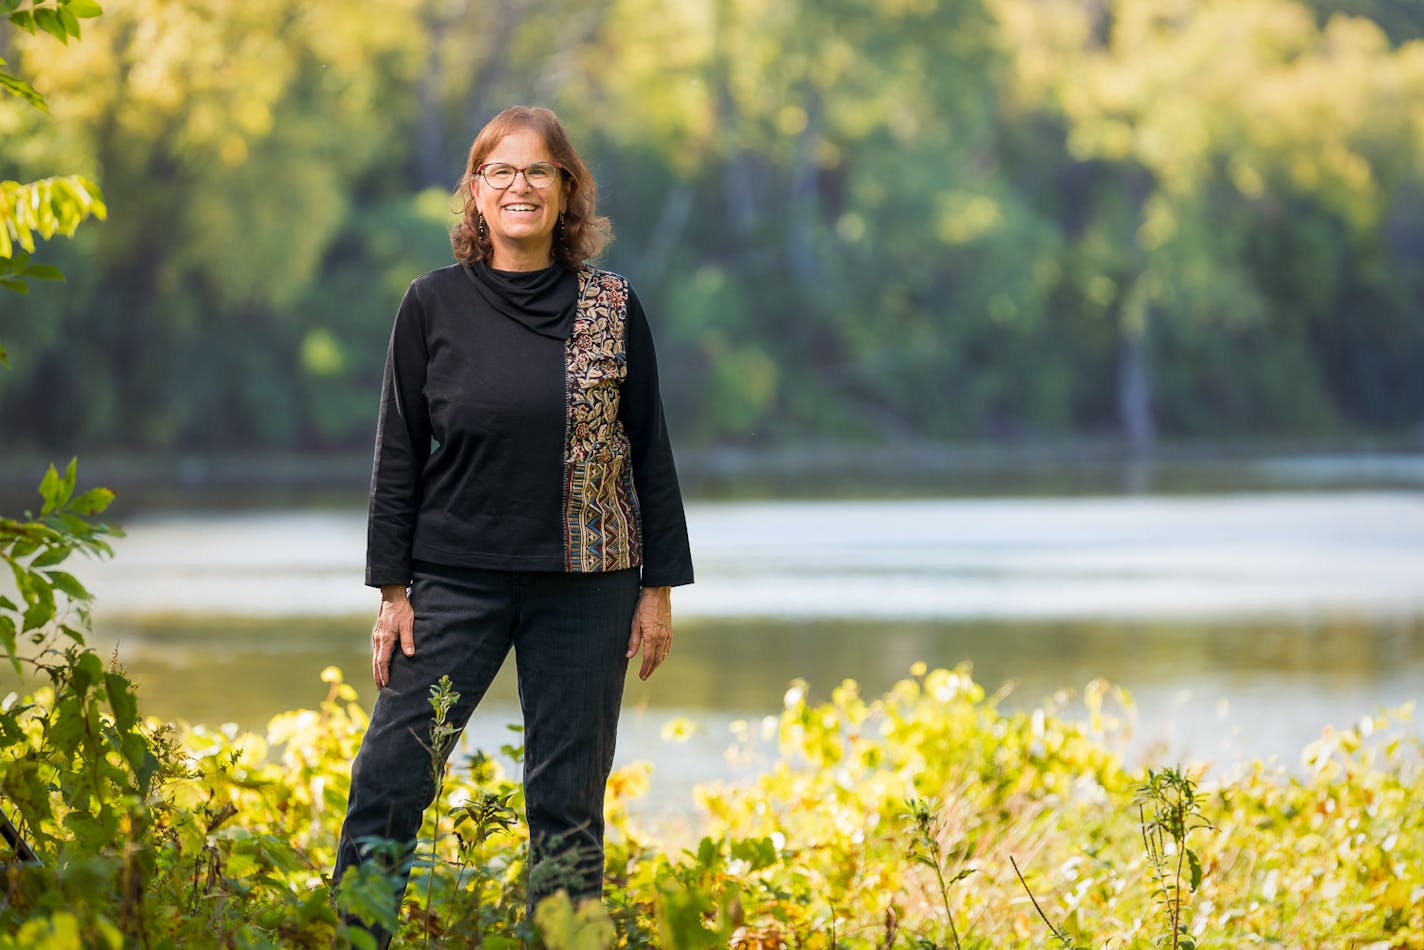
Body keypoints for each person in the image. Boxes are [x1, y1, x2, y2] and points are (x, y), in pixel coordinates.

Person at [332, 105, 694, 943]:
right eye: (502, 171)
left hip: (590, 586)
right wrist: (393, 591)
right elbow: (397, 456)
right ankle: (352, 935)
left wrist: (659, 591)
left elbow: (652, 454)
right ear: (476, 194)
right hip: (453, 579)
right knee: (390, 775)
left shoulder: (613, 306)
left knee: (567, 807)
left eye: (539, 171)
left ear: (568, 192)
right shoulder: (431, 306)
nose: (520, 186)